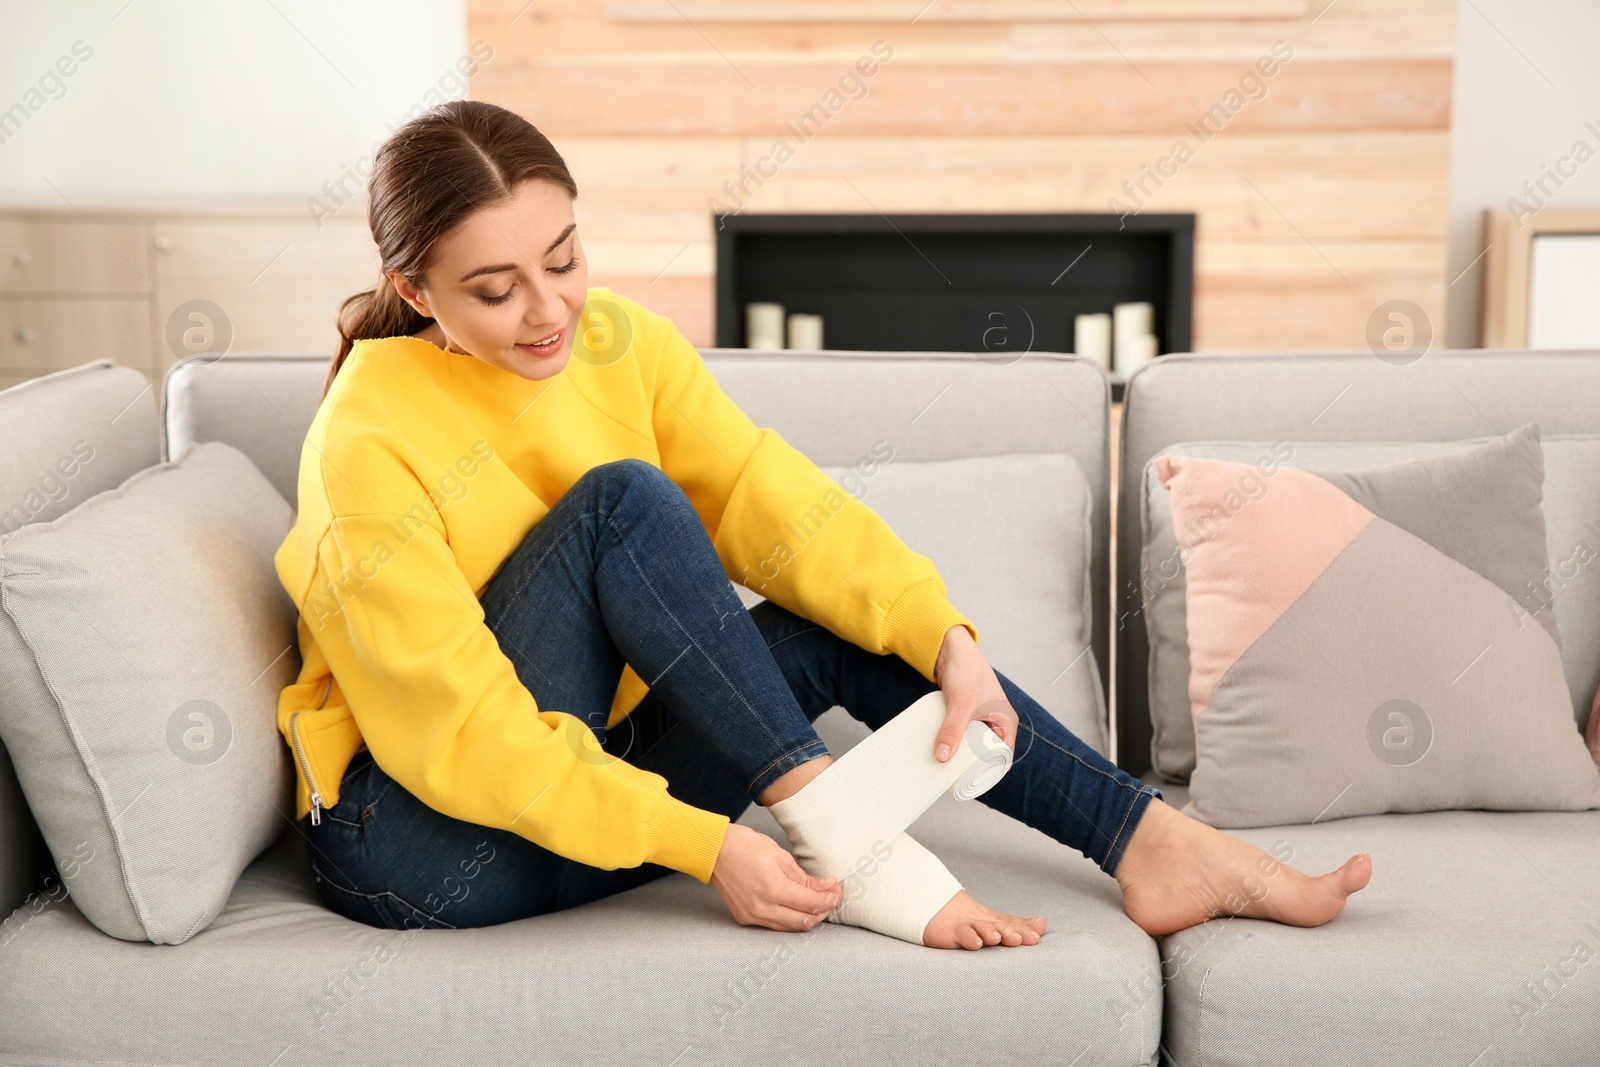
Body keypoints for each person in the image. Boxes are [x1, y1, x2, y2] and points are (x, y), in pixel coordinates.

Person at [275, 99, 1371, 951]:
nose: (551, 310)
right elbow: (466, 742)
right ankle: (841, 831)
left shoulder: (616, 342)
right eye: (496, 289)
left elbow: (768, 499)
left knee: (843, 626)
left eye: (562, 258)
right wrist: (707, 846)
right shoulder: (362, 446)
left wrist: (943, 633)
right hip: (422, 846)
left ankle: (1149, 839)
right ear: (417, 292)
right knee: (626, 503)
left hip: (582, 780)